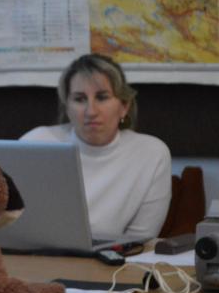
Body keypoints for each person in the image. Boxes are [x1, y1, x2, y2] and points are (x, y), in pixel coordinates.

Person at [21, 53, 171, 239]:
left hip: (117, 256)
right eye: (79, 99)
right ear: (67, 107)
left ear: (124, 106)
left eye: (102, 97)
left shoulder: (151, 153)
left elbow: (140, 241)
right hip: (38, 253)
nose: (91, 111)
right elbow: (14, 223)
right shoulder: (36, 143)